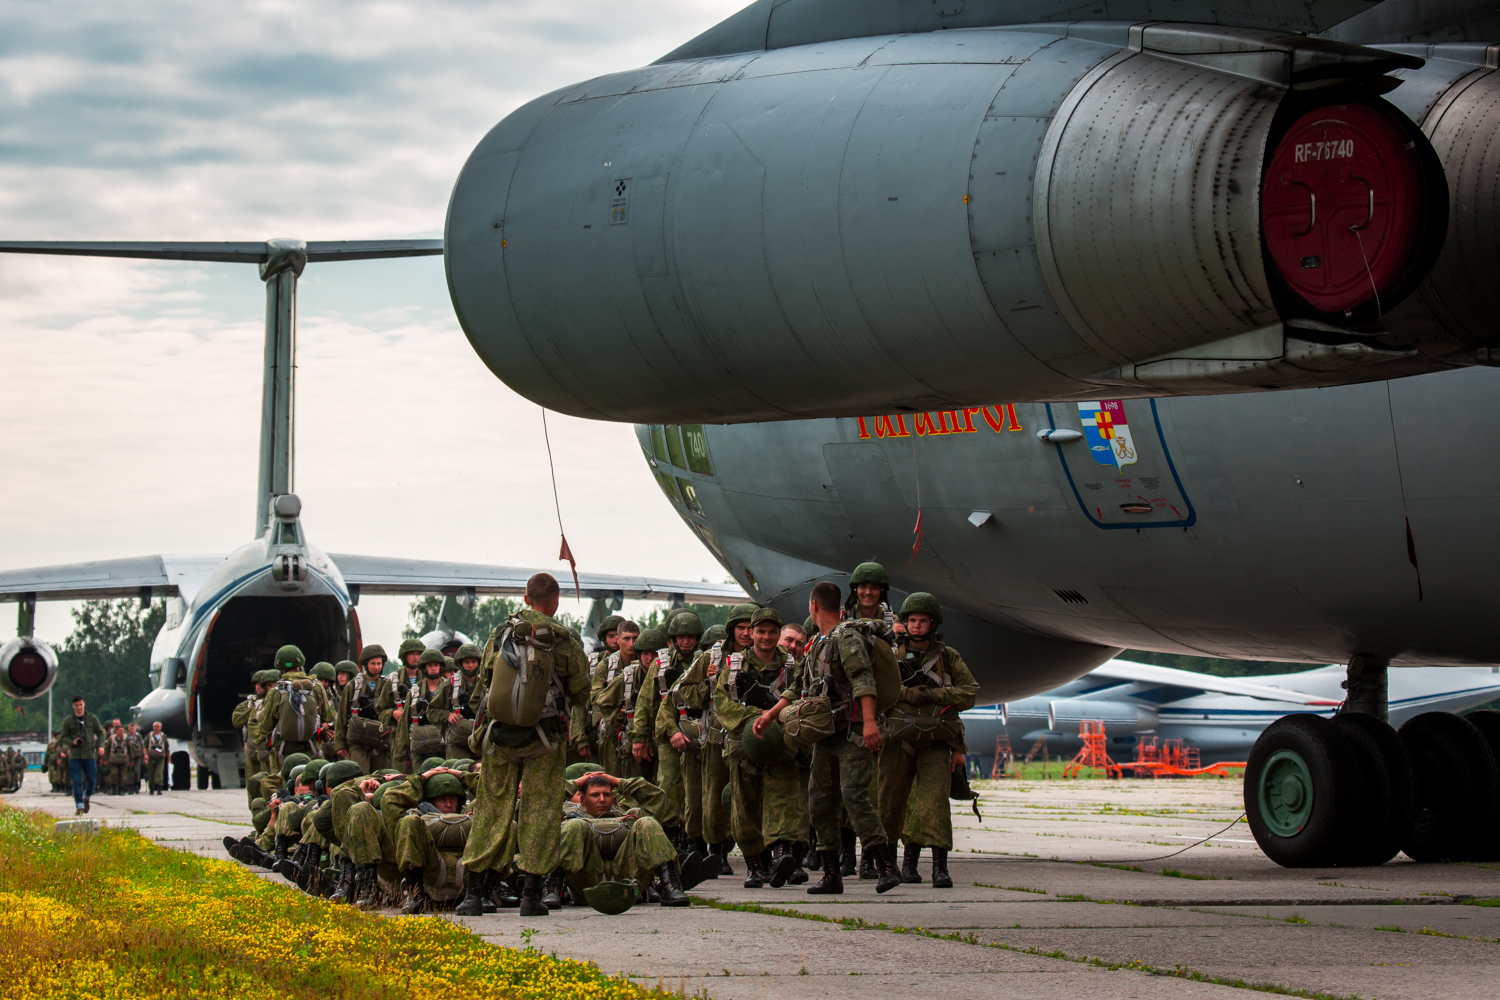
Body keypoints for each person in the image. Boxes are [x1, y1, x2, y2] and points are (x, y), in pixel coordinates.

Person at [455, 572, 593, 918]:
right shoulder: (565, 640)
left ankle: (474, 894)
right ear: (555, 600)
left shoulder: (500, 634)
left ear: (526, 597)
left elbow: (488, 680)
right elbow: (580, 692)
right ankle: (531, 894)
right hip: (546, 738)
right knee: (541, 810)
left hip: (500, 737)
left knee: (490, 808)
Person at [757, 581, 901, 894]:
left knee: (854, 797)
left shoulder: (846, 638)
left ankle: (887, 866)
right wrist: (770, 715)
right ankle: (831, 874)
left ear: (813, 606)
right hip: (824, 735)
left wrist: (868, 725)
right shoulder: (818, 645)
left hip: (850, 734)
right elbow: (799, 687)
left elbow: (863, 680)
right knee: (819, 803)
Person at [879, 593, 978, 888]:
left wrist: (933, 695)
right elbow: (873, 688)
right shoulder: (890, 654)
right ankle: (893, 865)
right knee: (891, 803)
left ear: (932, 623)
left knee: (935, 803)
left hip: (936, 741)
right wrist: (905, 694)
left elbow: (969, 693)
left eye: (922, 621)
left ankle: (939, 867)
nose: (917, 626)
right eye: (912, 620)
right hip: (897, 741)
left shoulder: (948, 657)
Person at [675, 603, 758, 874]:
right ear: (732, 629)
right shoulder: (711, 657)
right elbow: (682, 692)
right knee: (712, 799)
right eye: (741, 627)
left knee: (749, 797)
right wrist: (707, 683)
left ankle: (758, 853)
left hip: (752, 737)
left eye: (750, 627)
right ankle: (716, 851)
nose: (746, 633)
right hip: (716, 736)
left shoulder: (764, 655)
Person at [256, 645, 334, 769]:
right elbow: (329, 716)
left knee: (282, 784)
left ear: (280, 667)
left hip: (284, 752)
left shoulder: (276, 691)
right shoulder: (316, 687)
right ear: (300, 665)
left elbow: (265, 725)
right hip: (312, 750)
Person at [591, 621, 645, 780]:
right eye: (626, 639)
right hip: (613, 726)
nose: (631, 644)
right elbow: (596, 698)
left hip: (639, 728)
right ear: (617, 639)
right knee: (611, 777)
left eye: (635, 638)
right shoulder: (606, 666)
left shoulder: (646, 663)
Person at [336, 645, 393, 774]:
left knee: (381, 778)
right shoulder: (352, 686)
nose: (376, 667)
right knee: (358, 776)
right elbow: (342, 716)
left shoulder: (388, 686)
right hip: (357, 742)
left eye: (379, 663)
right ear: (365, 664)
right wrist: (340, 744)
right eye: (373, 663)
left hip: (381, 742)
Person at [428, 643, 485, 762]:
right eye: (467, 662)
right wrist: (447, 715)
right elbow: (431, 711)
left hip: (481, 739)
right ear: (460, 664)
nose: (470, 666)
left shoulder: (486, 684)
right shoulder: (448, 685)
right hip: (457, 742)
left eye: (473, 662)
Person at [103, 722, 131, 795]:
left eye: (122, 731)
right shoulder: (111, 738)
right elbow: (106, 749)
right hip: (113, 760)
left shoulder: (126, 738)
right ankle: (113, 788)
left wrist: (131, 760)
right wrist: (105, 759)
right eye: (120, 730)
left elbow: (130, 749)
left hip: (123, 759)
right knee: (113, 773)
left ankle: (121, 788)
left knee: (122, 775)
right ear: (116, 731)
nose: (122, 732)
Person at [144, 721, 171, 795]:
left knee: (159, 773)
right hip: (151, 757)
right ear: (153, 727)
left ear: (160, 728)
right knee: (151, 773)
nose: (156, 728)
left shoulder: (163, 736)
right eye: (155, 726)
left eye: (158, 726)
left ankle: (159, 789)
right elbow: (144, 746)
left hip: (160, 758)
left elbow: (166, 748)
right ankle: (151, 789)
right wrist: (145, 755)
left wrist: (169, 760)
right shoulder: (149, 736)